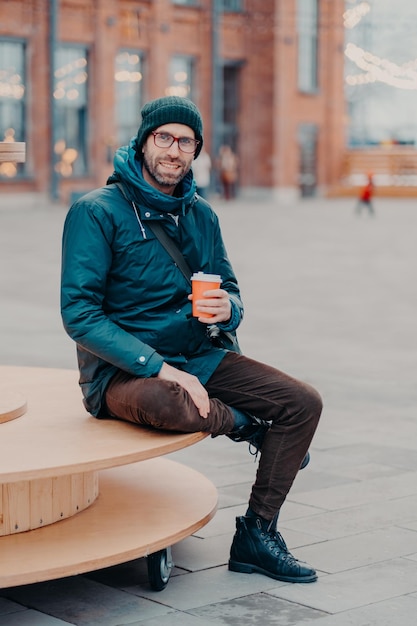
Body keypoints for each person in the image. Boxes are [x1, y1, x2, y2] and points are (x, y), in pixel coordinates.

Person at [61, 96, 322, 584]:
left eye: (186, 141)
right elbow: (79, 314)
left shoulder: (200, 214)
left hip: (200, 354)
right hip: (124, 371)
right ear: (143, 143)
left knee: (303, 403)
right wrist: (160, 366)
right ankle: (250, 426)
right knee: (172, 399)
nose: (174, 150)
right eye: (164, 137)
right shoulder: (96, 212)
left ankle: (257, 535)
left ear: (196, 149)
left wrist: (230, 308)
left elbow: (231, 287)